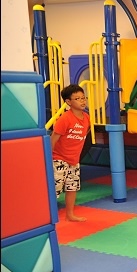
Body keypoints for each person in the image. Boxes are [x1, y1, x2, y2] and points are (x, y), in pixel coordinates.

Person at [51, 84, 91, 222]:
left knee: (72, 187)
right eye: (77, 99)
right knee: (54, 189)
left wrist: (75, 156)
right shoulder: (65, 119)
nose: (82, 101)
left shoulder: (87, 118)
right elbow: (53, 139)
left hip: (74, 160)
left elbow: (82, 137)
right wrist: (47, 158)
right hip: (59, 159)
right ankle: (47, 217)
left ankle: (70, 215)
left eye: (83, 97)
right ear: (68, 102)